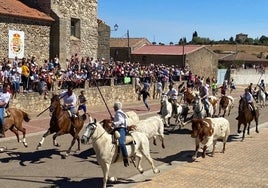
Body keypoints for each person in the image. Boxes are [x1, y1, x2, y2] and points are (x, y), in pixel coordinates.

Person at [112, 101, 129, 167]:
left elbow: (121, 121)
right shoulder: (119, 112)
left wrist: (114, 123)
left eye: (114, 107)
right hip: (117, 128)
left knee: (121, 142)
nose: (113, 109)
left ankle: (125, 157)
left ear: (116, 107)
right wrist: (114, 119)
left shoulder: (118, 112)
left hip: (121, 129)